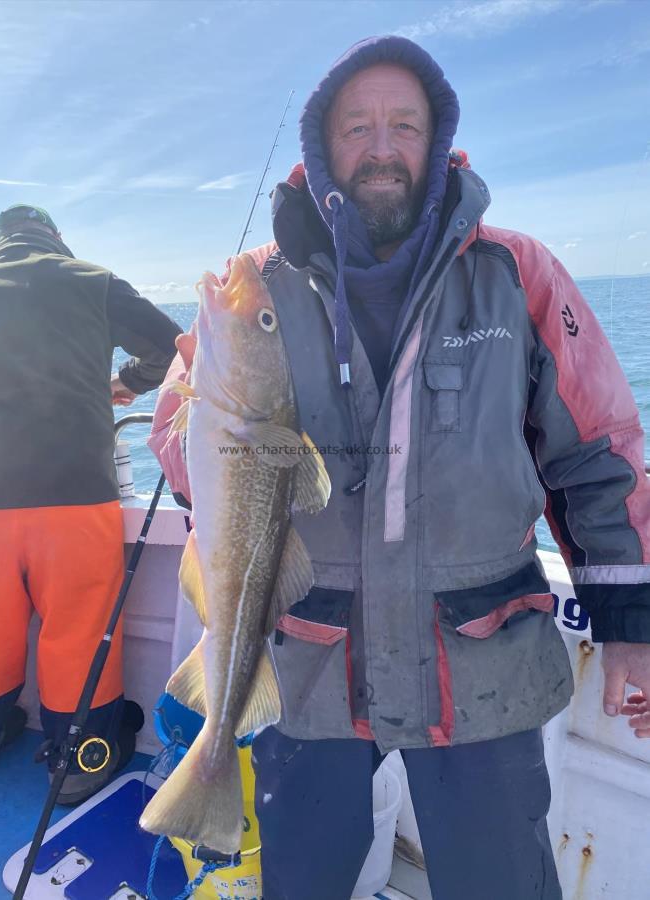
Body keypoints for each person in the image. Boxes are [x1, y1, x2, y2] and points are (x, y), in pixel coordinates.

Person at [152, 36, 649, 900]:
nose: (381, 147)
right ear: (321, 146)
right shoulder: (256, 291)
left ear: (435, 139)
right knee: (301, 882)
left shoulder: (515, 273)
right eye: (357, 127)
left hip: (479, 663)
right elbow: (183, 461)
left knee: (502, 885)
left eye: (403, 125)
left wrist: (630, 624)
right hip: (308, 661)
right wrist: (193, 410)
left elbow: (599, 453)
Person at [0, 204, 183, 803]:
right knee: (80, 631)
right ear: (57, 239)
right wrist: (128, 386)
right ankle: (79, 763)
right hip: (74, 501)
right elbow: (175, 348)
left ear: (0, 244)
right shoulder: (93, 280)